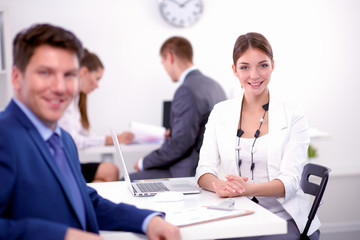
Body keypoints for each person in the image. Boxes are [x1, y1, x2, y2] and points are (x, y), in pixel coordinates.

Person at [0, 23, 180, 240]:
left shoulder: (63, 140)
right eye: (45, 73)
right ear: (17, 78)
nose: (59, 87)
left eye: (69, 75)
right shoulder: (5, 135)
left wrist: (147, 220)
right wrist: (64, 236)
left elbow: (85, 201)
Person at [195, 32, 321, 240]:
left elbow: (289, 182)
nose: (254, 75)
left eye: (263, 65)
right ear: (235, 70)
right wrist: (222, 186)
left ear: (273, 65)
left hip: (283, 218)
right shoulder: (220, 112)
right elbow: (204, 170)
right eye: (245, 67)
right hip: (237, 215)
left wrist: (246, 189)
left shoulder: (293, 114)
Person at [130, 36, 227, 180]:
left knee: (124, 181)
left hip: (187, 172)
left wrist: (144, 162)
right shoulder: (215, 85)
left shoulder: (186, 90)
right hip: (212, 169)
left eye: (163, 63)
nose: (165, 69)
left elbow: (181, 143)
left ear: (169, 57)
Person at [58, 49, 134, 183]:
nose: (97, 85)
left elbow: (85, 134)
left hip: (68, 164)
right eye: (97, 78)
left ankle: (85, 202)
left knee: (107, 175)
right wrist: (109, 139)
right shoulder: (65, 100)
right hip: (61, 167)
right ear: (84, 72)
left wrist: (113, 139)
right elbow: (74, 141)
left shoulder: (76, 100)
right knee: (111, 171)